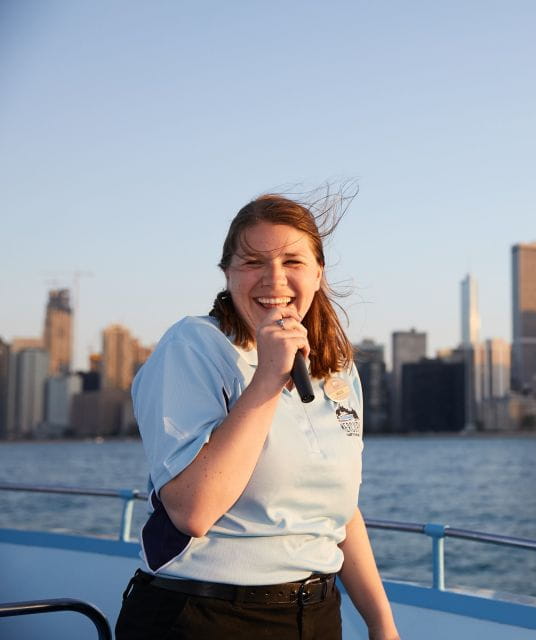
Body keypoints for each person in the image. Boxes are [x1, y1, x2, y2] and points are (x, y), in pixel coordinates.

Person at [116, 193, 399, 640]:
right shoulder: (193, 347)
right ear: (227, 273)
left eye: (293, 261)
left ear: (318, 272)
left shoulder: (337, 367)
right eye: (252, 263)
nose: (274, 279)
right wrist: (268, 377)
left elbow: (340, 512)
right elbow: (193, 510)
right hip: (204, 615)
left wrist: (382, 624)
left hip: (318, 614)